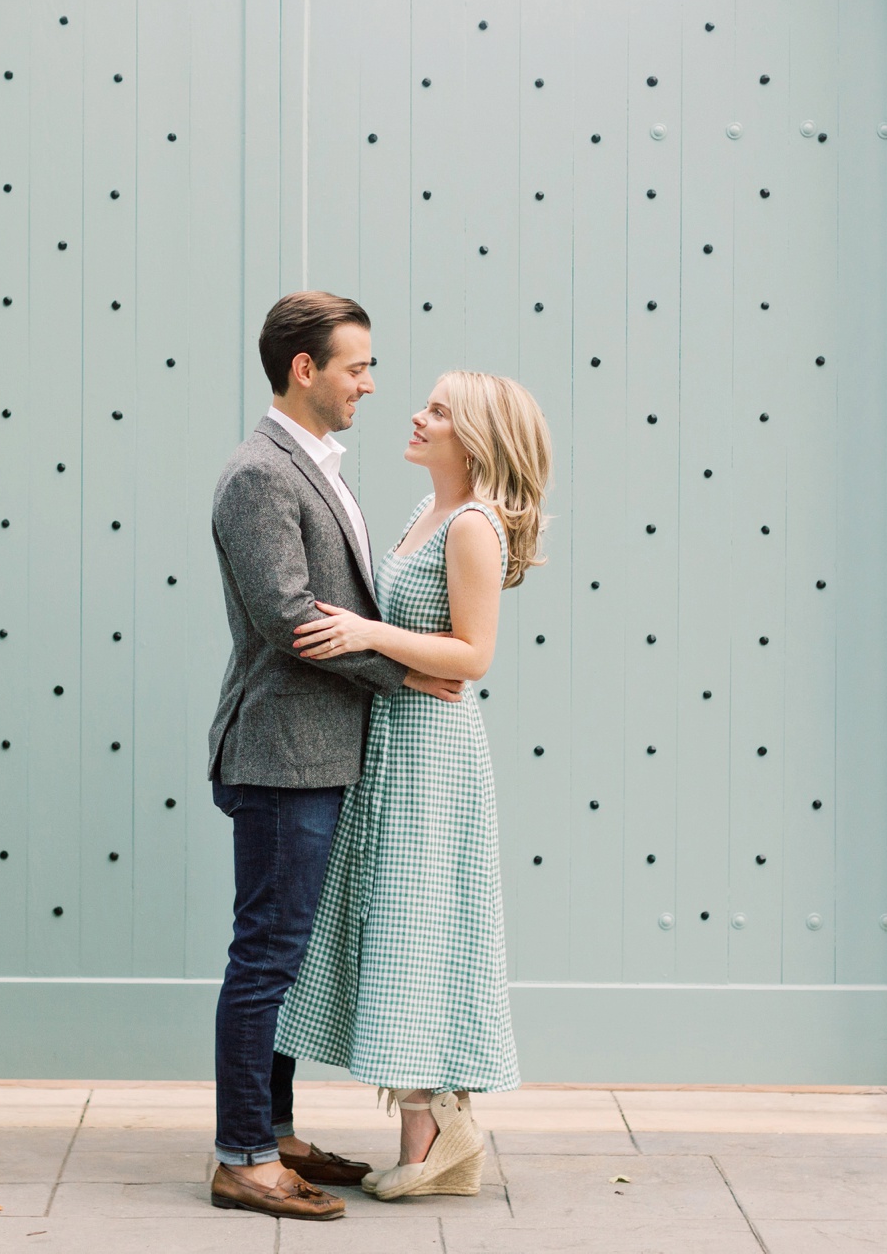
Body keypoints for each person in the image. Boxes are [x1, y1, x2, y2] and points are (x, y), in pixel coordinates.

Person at [206, 291, 466, 1222]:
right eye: (356, 366)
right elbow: (289, 621)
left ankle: (271, 1132)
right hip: (281, 753)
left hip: (320, 753)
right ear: (303, 370)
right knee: (267, 956)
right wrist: (407, 673)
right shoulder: (259, 476)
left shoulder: (318, 467)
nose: (369, 382)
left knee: (290, 955)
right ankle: (243, 1155)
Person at [277, 370, 552, 1200]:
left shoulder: (470, 526)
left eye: (437, 410)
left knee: (421, 926)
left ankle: (434, 1135)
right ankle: (436, 1130)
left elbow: (473, 657)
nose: (417, 415)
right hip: (398, 741)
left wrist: (366, 632)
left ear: (473, 436)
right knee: (404, 930)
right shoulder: (424, 513)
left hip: (433, 755)